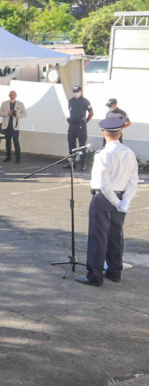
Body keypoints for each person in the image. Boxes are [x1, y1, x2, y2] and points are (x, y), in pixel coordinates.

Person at [76, 117, 139, 287]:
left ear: (104, 134)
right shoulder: (129, 153)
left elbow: (103, 184)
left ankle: (95, 276)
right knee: (115, 236)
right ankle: (114, 271)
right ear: (120, 133)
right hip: (120, 197)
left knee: (98, 237)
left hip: (103, 199)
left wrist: (114, 201)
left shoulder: (102, 154)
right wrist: (124, 201)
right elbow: (133, 181)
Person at [66, 85, 93, 171]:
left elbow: (91, 113)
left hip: (81, 126)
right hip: (72, 125)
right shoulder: (71, 101)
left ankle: (83, 164)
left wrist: (86, 121)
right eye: (74, 91)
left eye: (77, 91)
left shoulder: (85, 101)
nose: (75, 93)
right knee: (71, 144)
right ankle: (72, 163)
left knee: (82, 145)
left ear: (81, 92)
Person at [0, 91, 26, 163]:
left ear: (16, 95)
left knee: (16, 142)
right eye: (11, 95)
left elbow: (25, 114)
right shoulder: (4, 103)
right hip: (7, 126)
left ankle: (18, 158)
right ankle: (8, 157)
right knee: (8, 142)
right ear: (9, 95)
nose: (12, 96)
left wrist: (17, 115)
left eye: (13, 95)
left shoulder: (20, 104)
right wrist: (7, 113)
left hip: (15, 127)